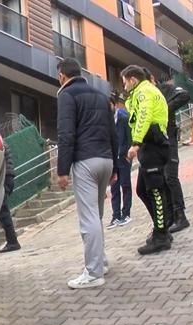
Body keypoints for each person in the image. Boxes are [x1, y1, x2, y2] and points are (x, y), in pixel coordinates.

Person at [55, 57, 118, 289]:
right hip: (106, 161)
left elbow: (66, 133)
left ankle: (93, 273)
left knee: (88, 218)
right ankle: (100, 263)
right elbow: (113, 133)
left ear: (62, 75)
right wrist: (116, 168)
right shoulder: (101, 96)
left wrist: (62, 170)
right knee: (97, 216)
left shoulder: (66, 95)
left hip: (85, 162)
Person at [122, 65, 173, 255]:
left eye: (125, 81)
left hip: (153, 145)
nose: (124, 85)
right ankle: (161, 228)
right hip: (150, 146)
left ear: (132, 80)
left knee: (155, 191)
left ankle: (161, 235)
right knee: (142, 190)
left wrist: (136, 143)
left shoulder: (144, 93)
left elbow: (144, 116)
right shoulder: (142, 92)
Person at [156, 79, 191, 233]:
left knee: (171, 176)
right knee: (163, 179)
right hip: (158, 142)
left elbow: (184, 95)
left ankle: (180, 215)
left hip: (169, 138)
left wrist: (165, 108)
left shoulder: (164, 89)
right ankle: (170, 217)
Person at [0, 146, 21, 253]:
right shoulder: (0, 142)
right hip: (7, 177)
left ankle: (12, 242)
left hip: (3, 177)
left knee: (2, 211)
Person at [107, 93, 133, 229]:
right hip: (112, 160)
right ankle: (115, 216)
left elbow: (130, 137)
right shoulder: (106, 121)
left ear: (115, 105)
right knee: (114, 188)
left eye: (109, 105)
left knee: (125, 185)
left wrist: (129, 155)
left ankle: (126, 213)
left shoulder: (124, 118)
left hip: (123, 157)